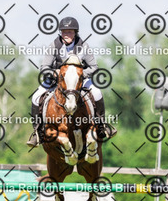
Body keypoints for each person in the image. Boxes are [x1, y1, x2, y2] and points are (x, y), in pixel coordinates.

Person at [27, 16, 117, 147]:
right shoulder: (54, 45)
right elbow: (44, 67)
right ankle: (37, 132)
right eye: (64, 31)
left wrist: (78, 76)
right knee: (35, 97)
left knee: (97, 93)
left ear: (75, 32)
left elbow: (94, 67)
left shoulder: (83, 46)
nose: (66, 34)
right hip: (56, 80)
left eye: (69, 32)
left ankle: (101, 126)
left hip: (79, 81)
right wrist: (55, 74)